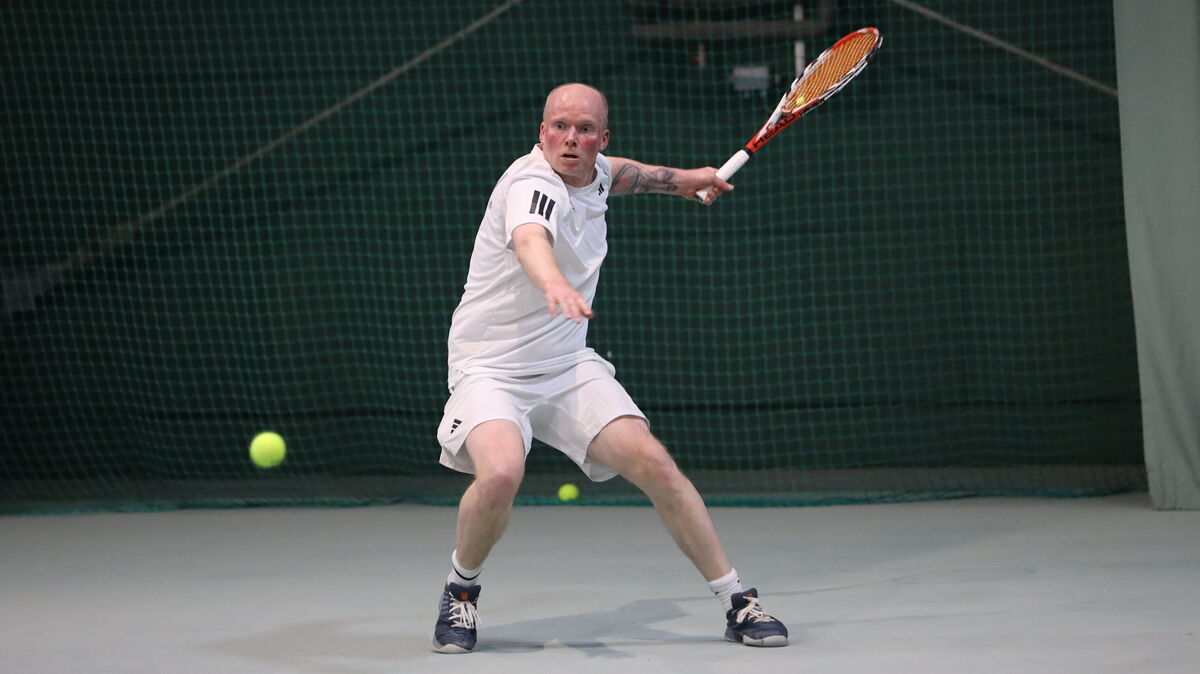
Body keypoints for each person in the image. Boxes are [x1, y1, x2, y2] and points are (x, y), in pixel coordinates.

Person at [431, 82, 788, 653]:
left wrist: (684, 181)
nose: (570, 139)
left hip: (567, 364)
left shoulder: (593, 170)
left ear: (601, 138)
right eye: (558, 127)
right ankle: (461, 592)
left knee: (655, 463)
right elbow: (530, 240)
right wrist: (553, 286)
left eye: (584, 129)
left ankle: (736, 600)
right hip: (490, 370)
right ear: (540, 132)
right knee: (499, 474)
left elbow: (624, 173)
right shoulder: (530, 185)